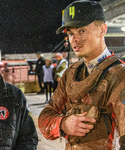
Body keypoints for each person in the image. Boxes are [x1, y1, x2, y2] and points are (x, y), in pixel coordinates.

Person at [38, 1, 125, 149]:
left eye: (82, 31)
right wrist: (64, 124)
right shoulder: (70, 74)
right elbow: (44, 118)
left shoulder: (119, 75)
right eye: (71, 33)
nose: (74, 39)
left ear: (102, 30)